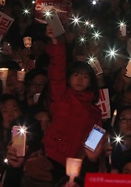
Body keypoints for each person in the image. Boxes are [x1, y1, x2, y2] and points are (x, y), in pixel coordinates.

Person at [42, 24, 103, 176]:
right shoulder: (61, 95)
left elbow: (92, 146)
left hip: (73, 166)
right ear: (69, 78)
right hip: (49, 157)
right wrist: (56, 43)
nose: (80, 79)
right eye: (76, 75)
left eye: (85, 76)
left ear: (91, 81)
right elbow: (57, 71)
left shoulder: (95, 112)